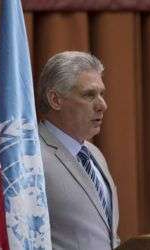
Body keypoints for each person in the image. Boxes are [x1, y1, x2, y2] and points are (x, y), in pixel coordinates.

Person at [37, 51, 120, 249]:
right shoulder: (31, 156)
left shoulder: (95, 154)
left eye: (102, 94)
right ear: (55, 100)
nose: (102, 105)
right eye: (89, 95)